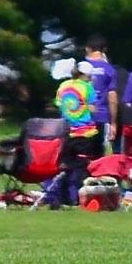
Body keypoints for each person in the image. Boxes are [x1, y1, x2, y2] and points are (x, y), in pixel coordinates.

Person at [51, 59, 99, 204]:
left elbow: (59, 104)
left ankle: (63, 197)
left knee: (65, 164)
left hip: (66, 131)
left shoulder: (63, 86)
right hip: (84, 133)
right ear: (85, 75)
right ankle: (81, 198)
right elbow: (92, 109)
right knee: (83, 166)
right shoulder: (87, 88)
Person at [83, 38, 118, 154]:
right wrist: (113, 121)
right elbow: (112, 97)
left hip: (80, 115)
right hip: (101, 115)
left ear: (88, 49)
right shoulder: (109, 69)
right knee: (98, 154)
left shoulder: (80, 68)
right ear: (104, 50)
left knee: (81, 152)